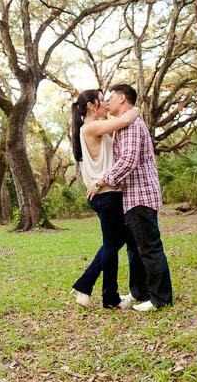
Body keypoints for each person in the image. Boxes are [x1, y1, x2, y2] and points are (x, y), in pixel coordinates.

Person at [89, 83, 173, 312]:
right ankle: (139, 292)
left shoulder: (131, 124)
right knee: (135, 249)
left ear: (123, 98)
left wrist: (101, 181)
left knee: (149, 248)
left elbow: (128, 160)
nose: (107, 102)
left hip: (140, 195)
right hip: (132, 197)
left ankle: (160, 299)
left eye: (111, 97)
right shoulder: (124, 123)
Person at [69, 88, 143, 309]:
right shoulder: (90, 127)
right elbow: (124, 120)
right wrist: (136, 108)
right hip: (106, 194)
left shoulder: (93, 129)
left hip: (108, 193)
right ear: (91, 106)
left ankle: (86, 285)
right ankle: (108, 298)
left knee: (115, 242)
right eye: (102, 100)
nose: (106, 103)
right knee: (112, 244)